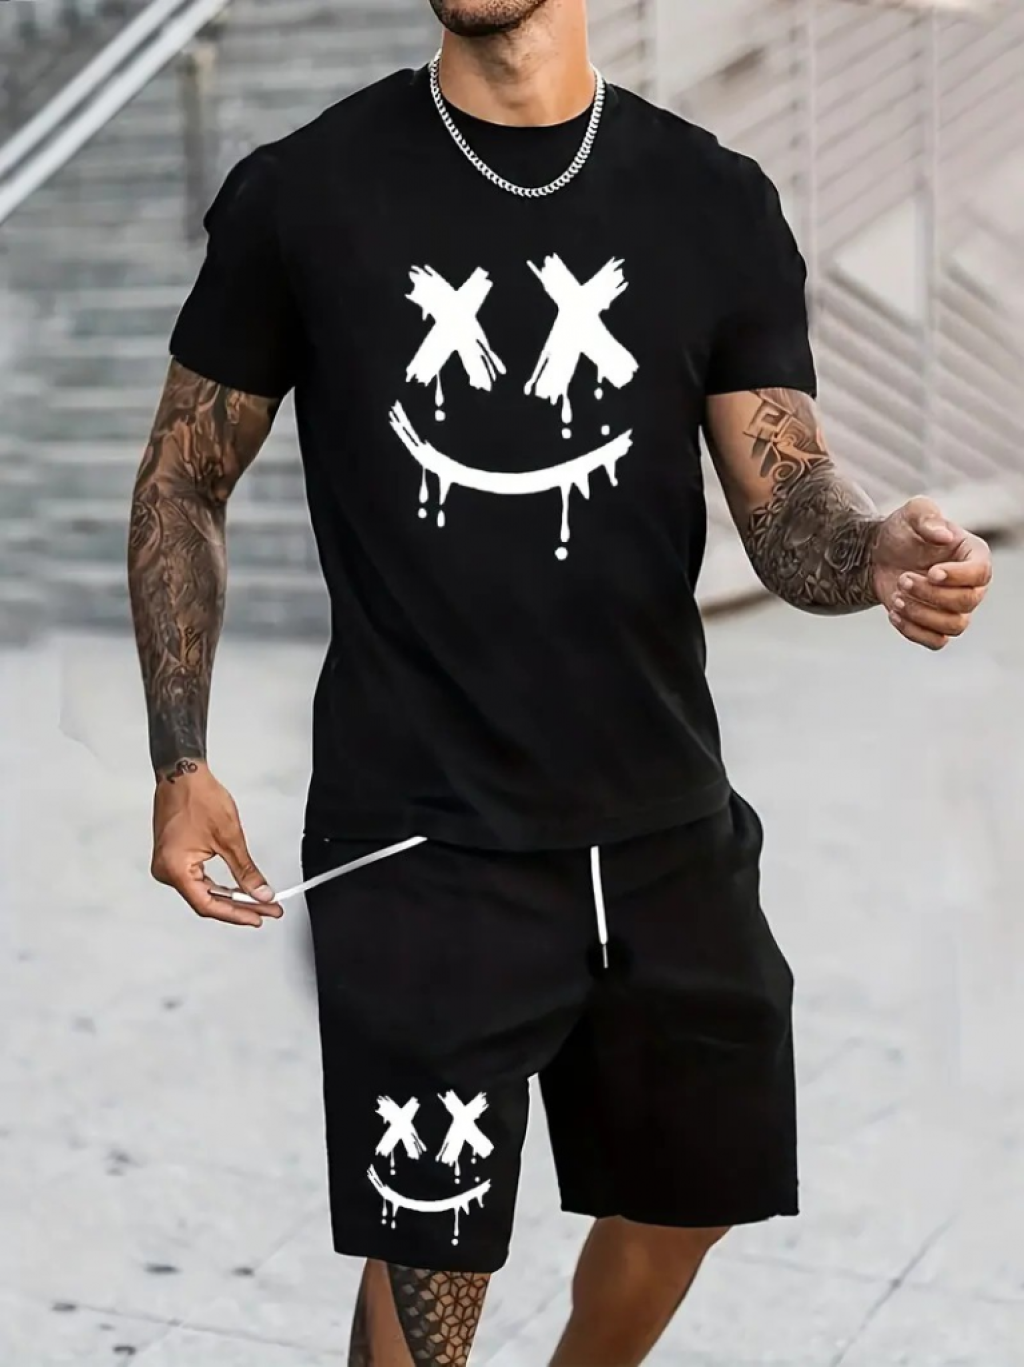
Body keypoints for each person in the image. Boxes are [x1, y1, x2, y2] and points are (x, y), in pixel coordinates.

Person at [126, 1, 993, 1362]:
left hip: (663, 822)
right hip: (422, 838)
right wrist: (180, 758)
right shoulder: (305, 195)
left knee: (693, 1196)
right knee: (433, 1263)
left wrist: (876, 547)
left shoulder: (712, 198)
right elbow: (184, 478)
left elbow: (786, 498)